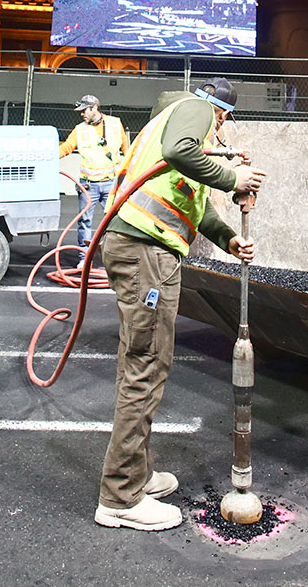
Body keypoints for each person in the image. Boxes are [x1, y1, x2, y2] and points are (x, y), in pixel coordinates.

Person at [94, 77, 265, 531]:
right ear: (220, 110)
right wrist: (233, 176)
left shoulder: (178, 128)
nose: (221, 129)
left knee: (144, 363)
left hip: (146, 250)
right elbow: (179, 149)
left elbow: (196, 205)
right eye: (223, 119)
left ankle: (138, 474)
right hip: (145, 252)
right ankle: (120, 497)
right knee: (145, 367)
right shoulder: (195, 111)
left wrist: (229, 239)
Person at [58, 94, 129, 253]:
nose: (82, 114)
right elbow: (67, 147)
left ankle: (113, 254)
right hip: (89, 184)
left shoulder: (115, 124)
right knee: (85, 221)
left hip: (111, 183)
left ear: (94, 108)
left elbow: (126, 149)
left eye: (84, 111)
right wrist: (48, 156)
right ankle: (84, 257)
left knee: (115, 221)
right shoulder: (80, 129)